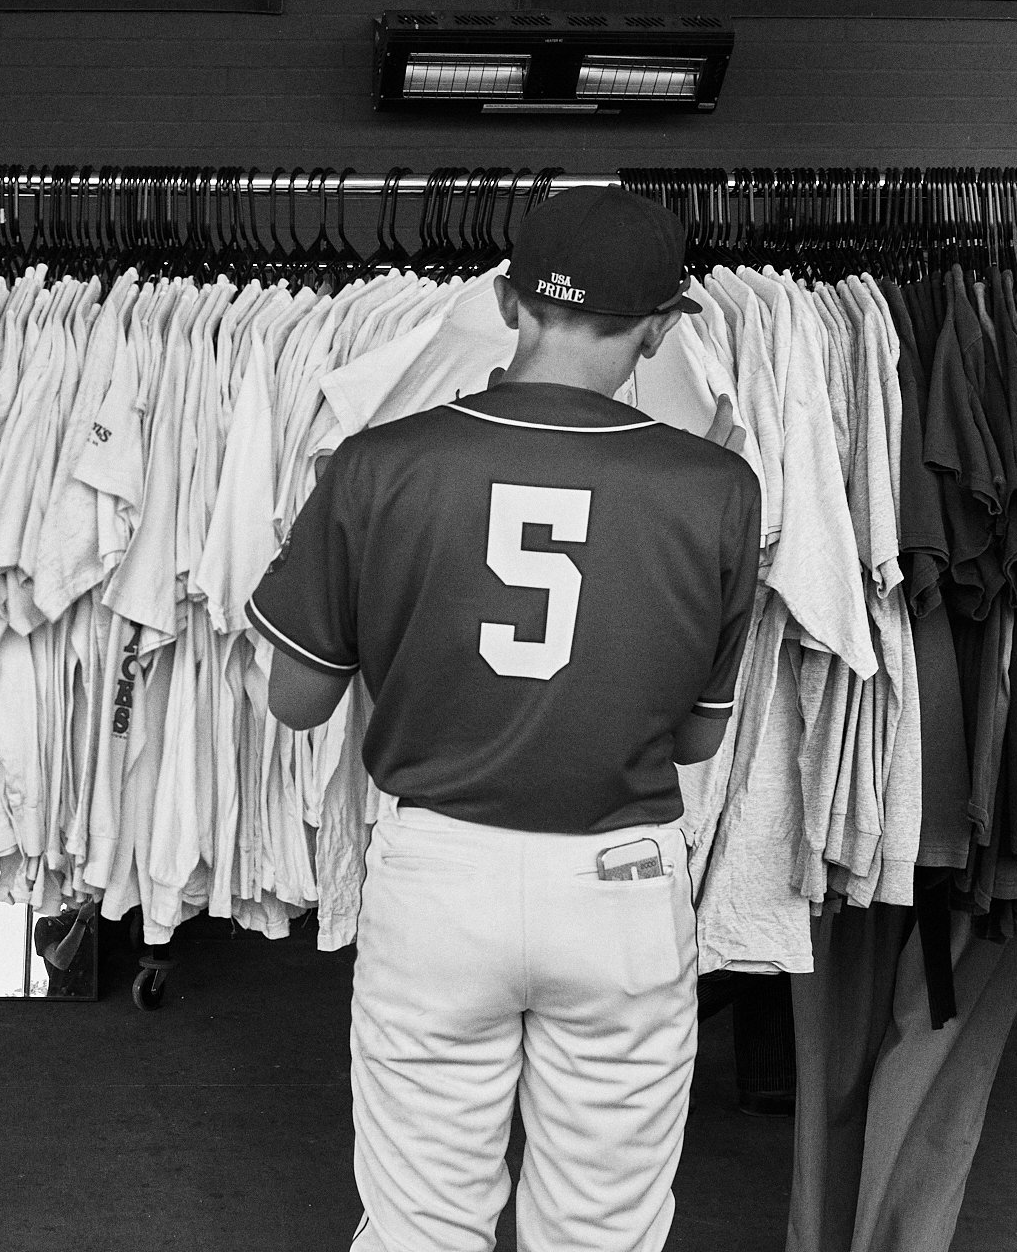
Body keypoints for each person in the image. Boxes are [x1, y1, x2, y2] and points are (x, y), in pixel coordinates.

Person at [249, 188, 761, 1252]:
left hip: (439, 875)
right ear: (663, 325)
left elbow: (293, 702)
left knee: (419, 1229)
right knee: (600, 1235)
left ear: (501, 297)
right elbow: (700, 738)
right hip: (618, 883)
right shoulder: (715, 485)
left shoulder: (377, 464)